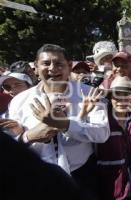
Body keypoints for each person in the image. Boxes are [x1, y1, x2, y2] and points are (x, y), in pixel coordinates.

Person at [8, 44, 110, 198]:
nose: (52, 68)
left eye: (59, 63)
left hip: (82, 175)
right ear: (35, 68)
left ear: (69, 66)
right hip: (37, 178)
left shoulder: (88, 93)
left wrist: (64, 124)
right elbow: (11, 145)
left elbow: (102, 133)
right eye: (46, 63)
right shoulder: (19, 101)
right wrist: (27, 137)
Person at [0, 128, 94, 200]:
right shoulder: (15, 104)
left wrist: (66, 125)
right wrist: (25, 137)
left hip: (80, 173)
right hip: (32, 179)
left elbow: (100, 133)